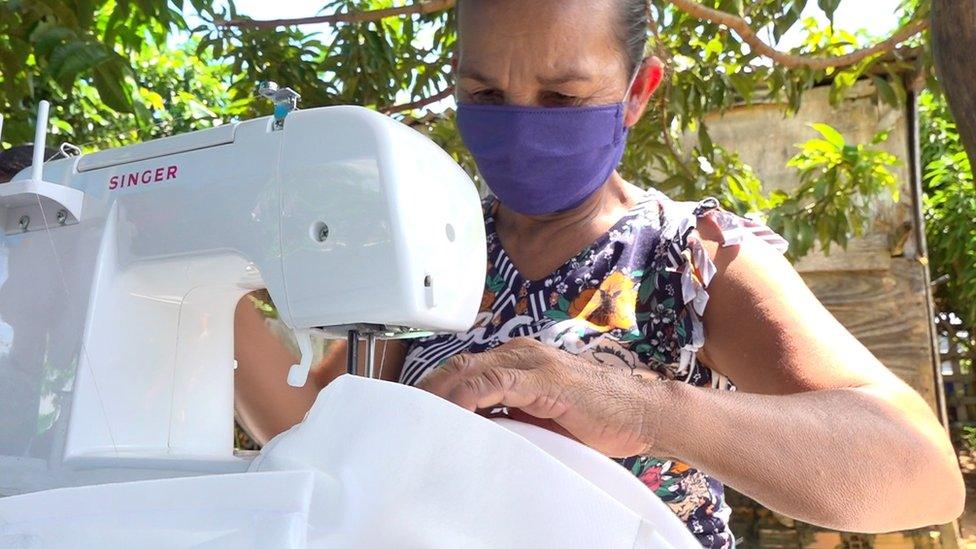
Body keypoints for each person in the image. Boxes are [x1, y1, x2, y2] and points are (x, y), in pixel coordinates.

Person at [233, 0, 964, 545]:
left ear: (638, 91)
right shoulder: (434, 248)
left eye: (562, 98)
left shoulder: (691, 256)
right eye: (485, 94)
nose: (520, 123)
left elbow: (919, 472)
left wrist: (645, 408)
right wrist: (193, 294)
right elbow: (313, 428)